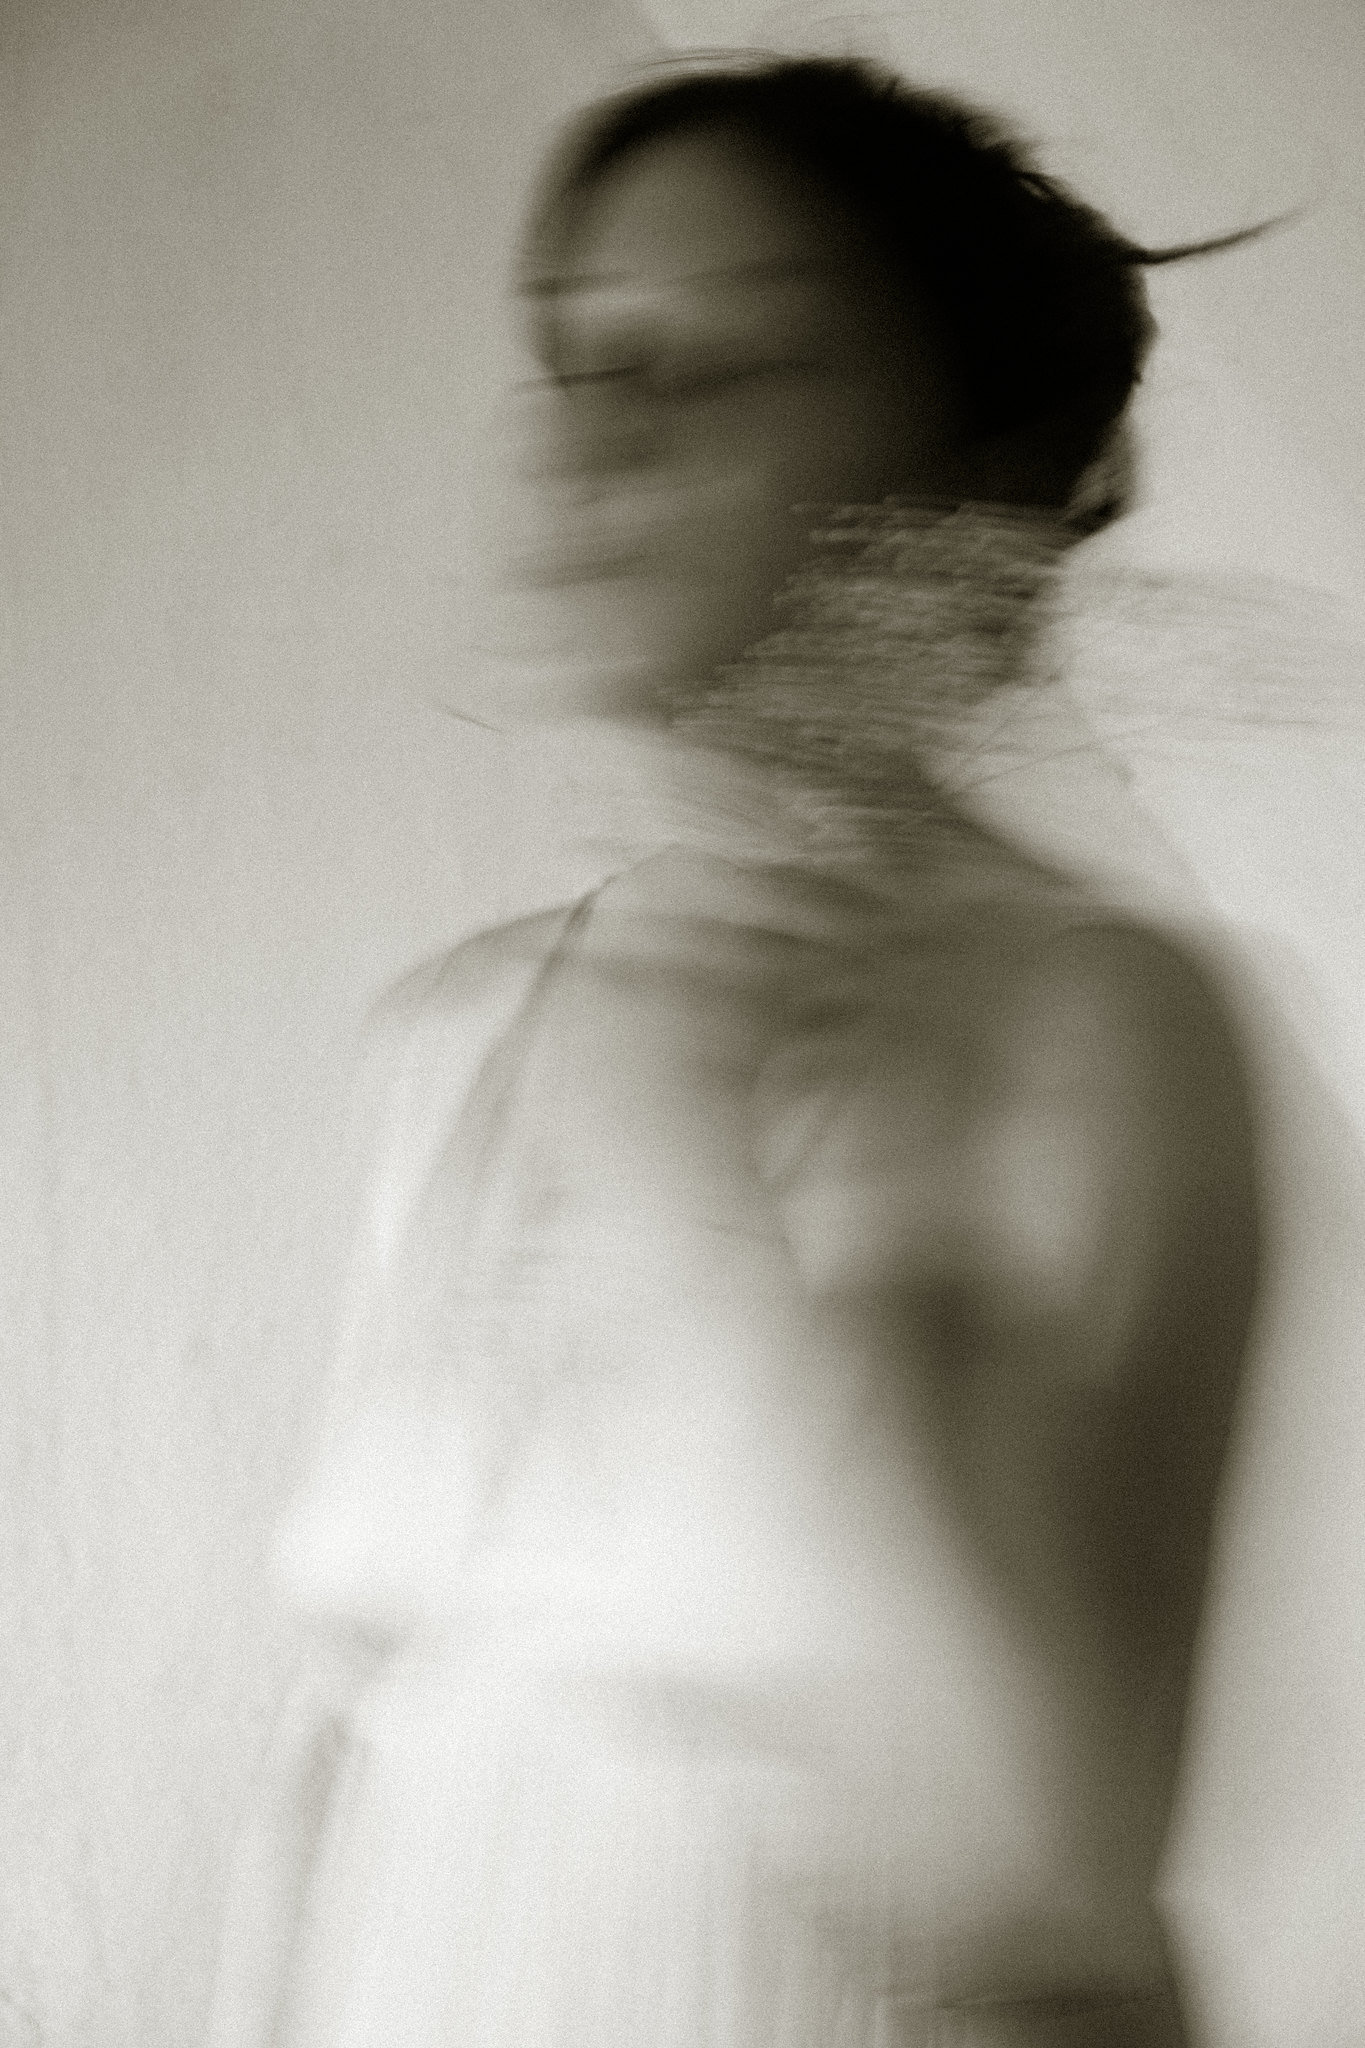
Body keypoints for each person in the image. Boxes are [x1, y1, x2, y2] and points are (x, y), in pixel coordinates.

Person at [208, 56, 1265, 2048]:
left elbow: (1045, 1889)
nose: (597, 435)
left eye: (722, 362)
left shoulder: (1096, 1025)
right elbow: (331, 1755)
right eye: (573, 356)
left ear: (941, 471)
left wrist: (685, 1174)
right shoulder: (451, 1032)